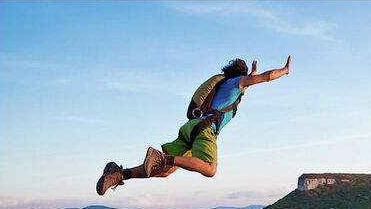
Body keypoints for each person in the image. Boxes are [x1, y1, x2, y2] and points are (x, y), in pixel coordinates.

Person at [96, 56, 291, 195]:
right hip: (205, 129)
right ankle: (162, 157)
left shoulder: (225, 87)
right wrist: (284, 71)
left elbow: (245, 90)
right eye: (247, 79)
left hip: (190, 128)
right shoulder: (235, 84)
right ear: (242, 77)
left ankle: (120, 174)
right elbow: (266, 77)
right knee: (209, 168)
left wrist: (251, 76)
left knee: (165, 171)